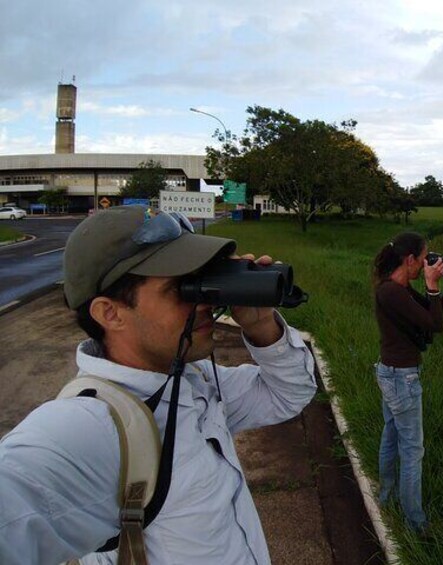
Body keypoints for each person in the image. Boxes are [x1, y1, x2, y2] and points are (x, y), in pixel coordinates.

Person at [0, 206, 317, 564]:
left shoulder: (192, 381)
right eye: (180, 288)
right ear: (111, 313)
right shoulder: (89, 426)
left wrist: (261, 326)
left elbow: (288, 393)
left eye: (200, 280)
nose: (202, 302)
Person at [372, 232, 443, 536]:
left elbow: (428, 316)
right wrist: (432, 285)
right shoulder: (391, 292)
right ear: (409, 260)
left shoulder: (399, 289)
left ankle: (387, 497)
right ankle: (416, 525)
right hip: (401, 378)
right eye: (423, 259)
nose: (426, 264)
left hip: (393, 374)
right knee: (412, 451)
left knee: (392, 436)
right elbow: (435, 326)